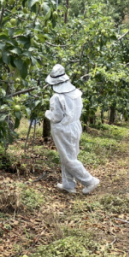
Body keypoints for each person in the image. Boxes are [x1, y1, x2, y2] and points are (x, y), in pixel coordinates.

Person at [44, 64, 100, 194]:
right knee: (70, 155)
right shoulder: (76, 93)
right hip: (75, 125)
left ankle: (89, 181)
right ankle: (68, 184)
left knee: (68, 158)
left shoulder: (56, 97)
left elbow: (57, 117)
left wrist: (48, 113)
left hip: (63, 129)